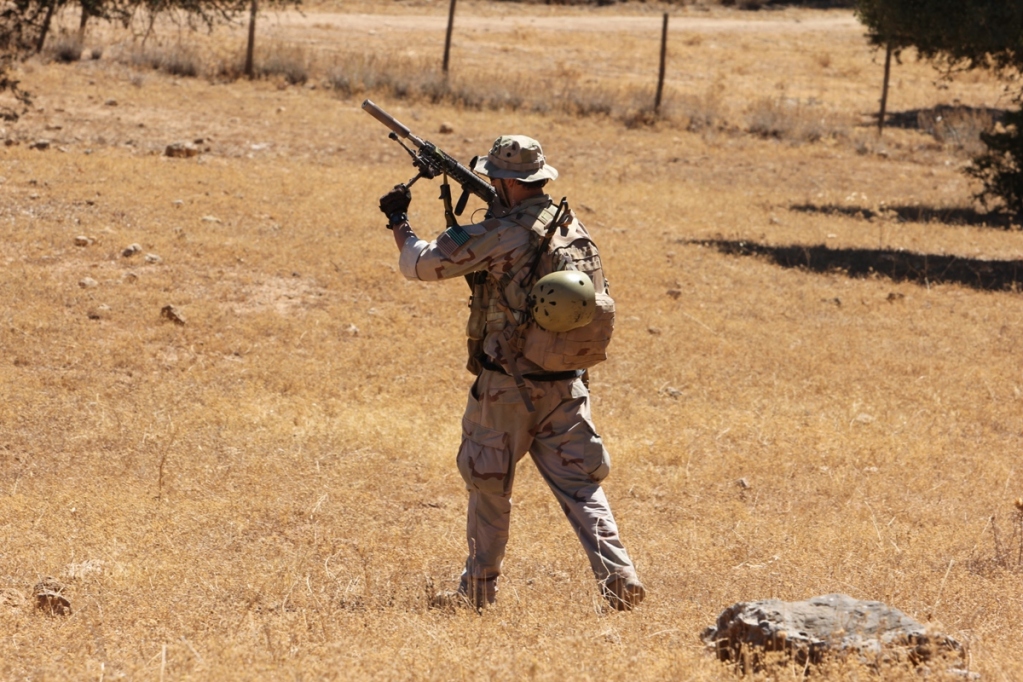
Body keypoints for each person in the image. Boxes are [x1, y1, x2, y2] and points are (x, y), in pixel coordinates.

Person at [377, 135, 645, 611]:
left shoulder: (502, 233)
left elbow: (420, 265)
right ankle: (619, 576)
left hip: (505, 389)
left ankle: (477, 592)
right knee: (582, 488)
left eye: (494, 179)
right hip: (565, 383)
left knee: (488, 487)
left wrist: (399, 220)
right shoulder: (568, 224)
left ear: (505, 181)